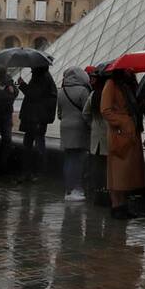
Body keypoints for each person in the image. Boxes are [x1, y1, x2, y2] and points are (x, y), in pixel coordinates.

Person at [101, 68, 145, 218]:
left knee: (127, 172)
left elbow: (135, 106)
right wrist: (123, 122)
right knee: (117, 171)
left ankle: (123, 206)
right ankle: (116, 206)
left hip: (131, 132)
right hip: (119, 133)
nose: (131, 70)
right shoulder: (111, 84)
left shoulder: (130, 84)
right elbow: (105, 110)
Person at [18, 65, 58, 182]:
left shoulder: (42, 78)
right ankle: (31, 172)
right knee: (33, 145)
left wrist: (21, 84)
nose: (30, 69)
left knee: (34, 145)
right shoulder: (43, 76)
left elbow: (34, 95)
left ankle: (36, 173)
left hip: (36, 118)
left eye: (32, 67)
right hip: (36, 118)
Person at [57, 67, 92, 201]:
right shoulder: (83, 91)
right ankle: (76, 189)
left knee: (68, 159)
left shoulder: (61, 91)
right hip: (79, 129)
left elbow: (59, 114)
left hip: (65, 127)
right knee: (78, 160)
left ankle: (68, 189)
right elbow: (86, 112)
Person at [87, 68, 110, 207]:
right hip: (107, 135)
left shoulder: (94, 94)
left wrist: (93, 125)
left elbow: (85, 113)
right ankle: (106, 194)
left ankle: (97, 194)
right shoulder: (108, 94)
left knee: (97, 167)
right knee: (107, 167)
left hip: (96, 136)